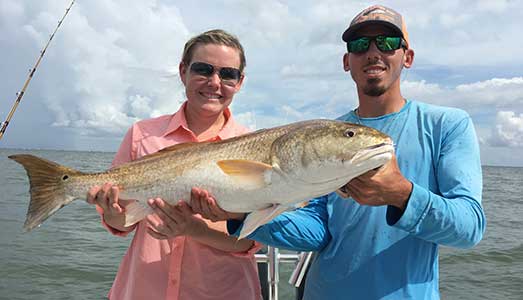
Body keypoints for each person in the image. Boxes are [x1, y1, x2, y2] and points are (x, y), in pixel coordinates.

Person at [189, 5, 486, 300]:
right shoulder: (325, 135)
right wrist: (242, 212)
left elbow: (469, 227)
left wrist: (402, 194)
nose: (373, 52)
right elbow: (318, 232)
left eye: (388, 42)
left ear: (407, 57)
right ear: (347, 61)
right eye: (359, 44)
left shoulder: (447, 125)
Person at [86, 29, 262, 300]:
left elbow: (251, 240)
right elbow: (122, 221)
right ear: (183, 71)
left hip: (223, 290)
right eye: (203, 69)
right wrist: (111, 211)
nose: (215, 82)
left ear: (240, 82)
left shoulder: (254, 148)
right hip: (144, 290)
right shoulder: (141, 134)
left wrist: (194, 229)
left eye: (228, 74)